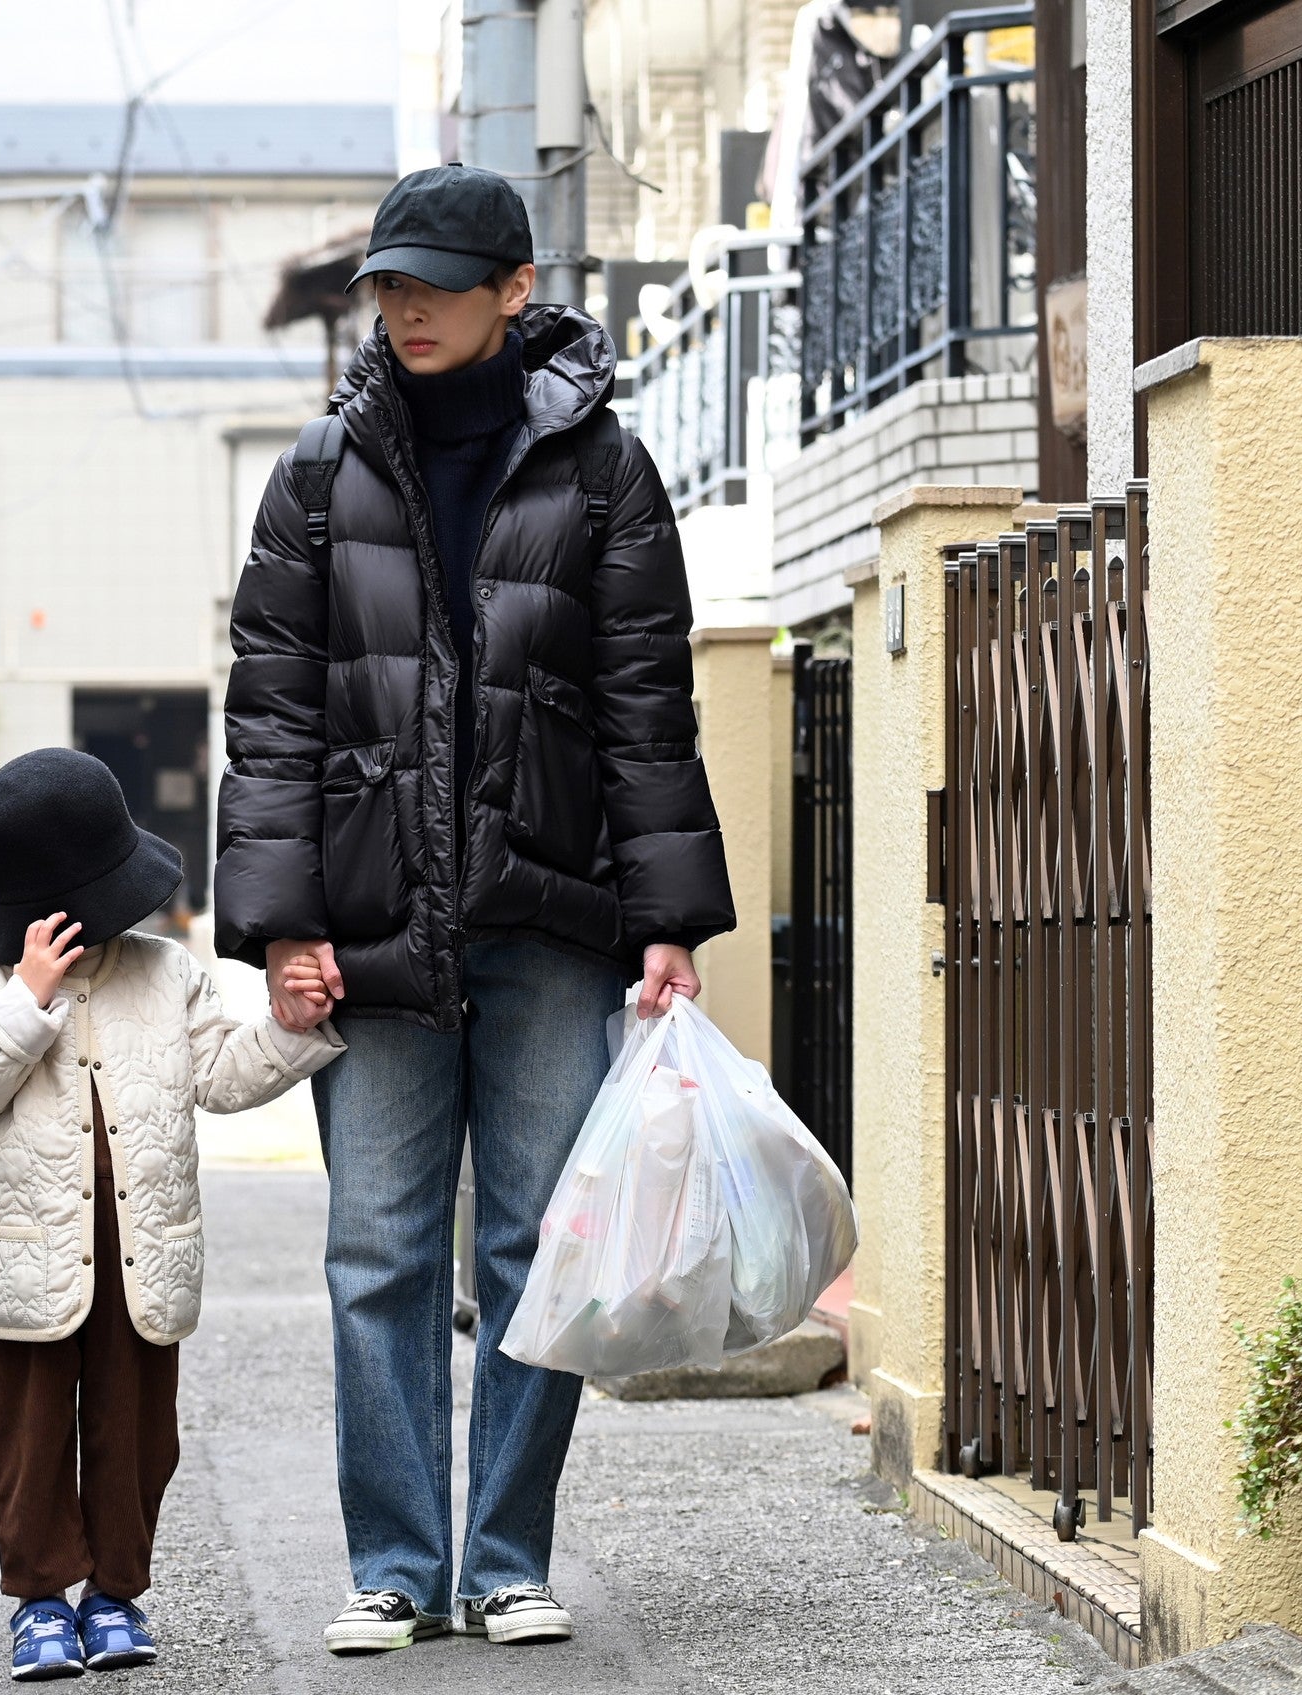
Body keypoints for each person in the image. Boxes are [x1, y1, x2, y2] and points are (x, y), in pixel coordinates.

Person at [215, 164, 736, 1655]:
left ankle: (504, 1556)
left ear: (518, 288)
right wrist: (282, 922)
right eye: (390, 281)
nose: (407, 305)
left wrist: (667, 919)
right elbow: (271, 719)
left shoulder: (606, 472)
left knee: (528, 1247)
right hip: (373, 926)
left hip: (550, 919)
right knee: (376, 1249)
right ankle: (393, 1561)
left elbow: (646, 708)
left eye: (438, 279)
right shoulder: (319, 474)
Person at [0, 747, 344, 1682]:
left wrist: (288, 1024)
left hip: (144, 1247)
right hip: (27, 1257)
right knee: (30, 1430)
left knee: (138, 1423)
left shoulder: (167, 971)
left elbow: (222, 1077)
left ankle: (116, 1591)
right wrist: (26, 1003)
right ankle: (40, 1599)